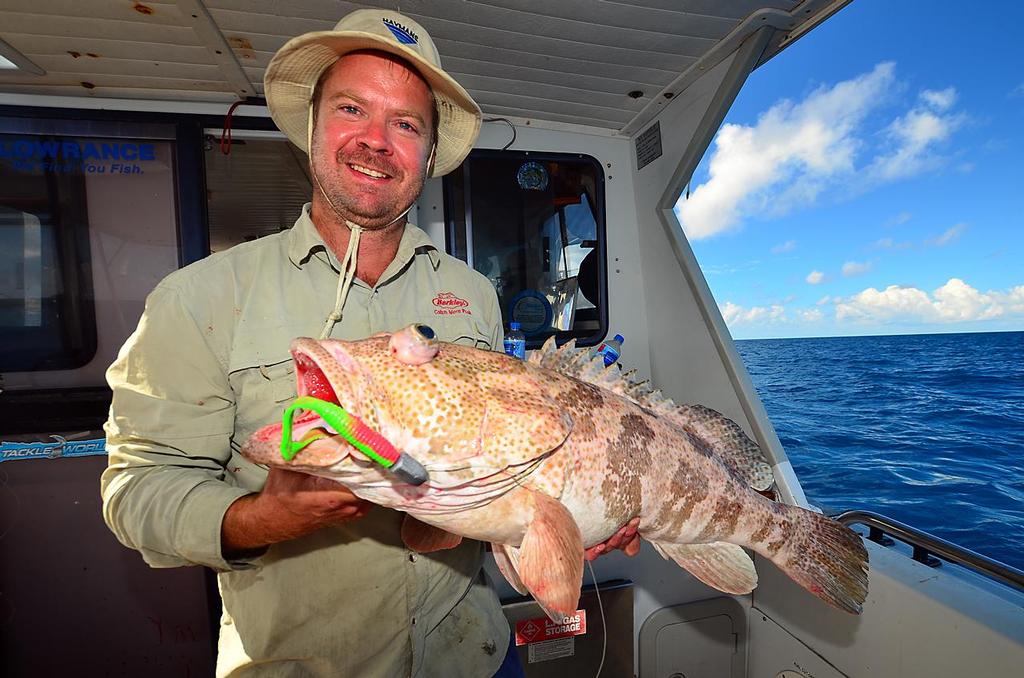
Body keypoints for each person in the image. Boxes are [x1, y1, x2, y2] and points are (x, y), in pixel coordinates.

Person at [101, 9, 638, 677]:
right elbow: (137, 488)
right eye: (352, 108)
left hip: (475, 657)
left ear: (428, 154)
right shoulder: (196, 298)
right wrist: (260, 518)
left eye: (406, 124)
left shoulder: (472, 293)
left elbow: (505, 475)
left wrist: (583, 515)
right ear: (314, 126)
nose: (376, 141)